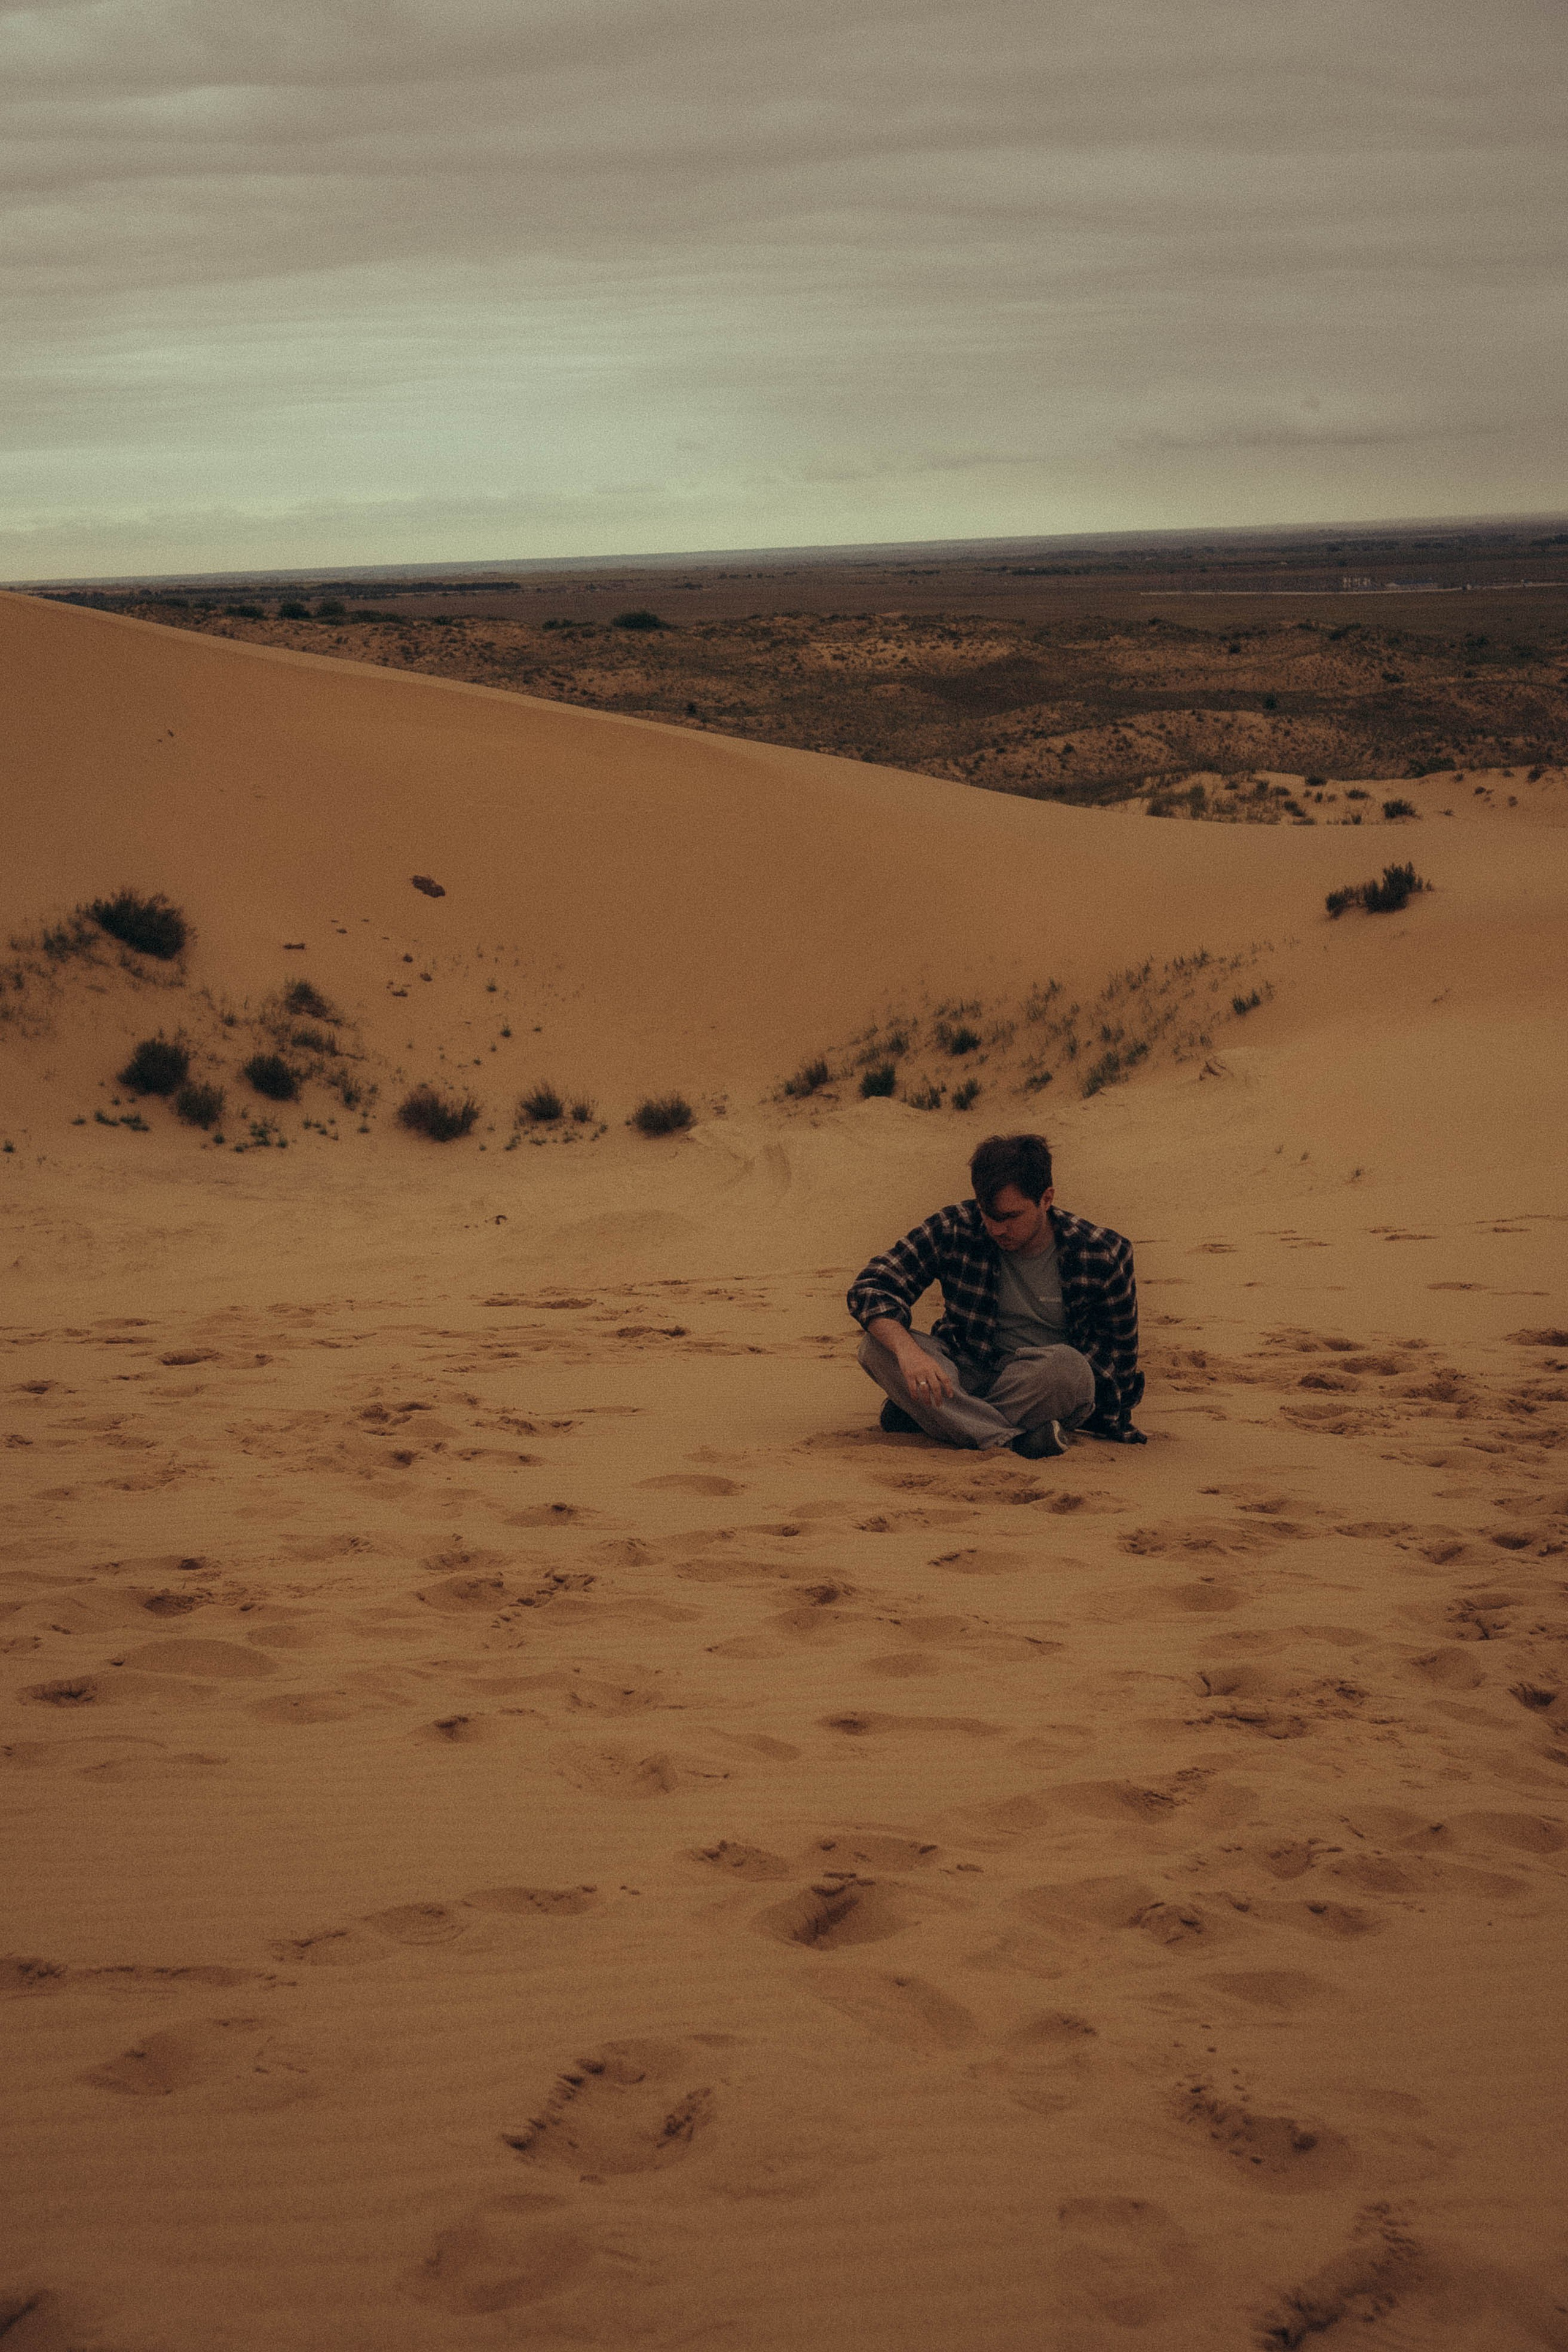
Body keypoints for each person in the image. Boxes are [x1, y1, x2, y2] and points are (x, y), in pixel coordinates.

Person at [847, 1131, 1145, 1460]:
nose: (997, 1229)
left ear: (1046, 1199)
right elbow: (870, 1288)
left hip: (1035, 1386)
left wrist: (1102, 1412)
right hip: (963, 1371)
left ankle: (938, 1419)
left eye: (1011, 1217)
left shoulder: (1102, 1253)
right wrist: (909, 1353)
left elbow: (1117, 1367)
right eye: (989, 1215)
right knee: (876, 1345)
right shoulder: (955, 1227)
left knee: (1070, 1369)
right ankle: (1012, 1441)